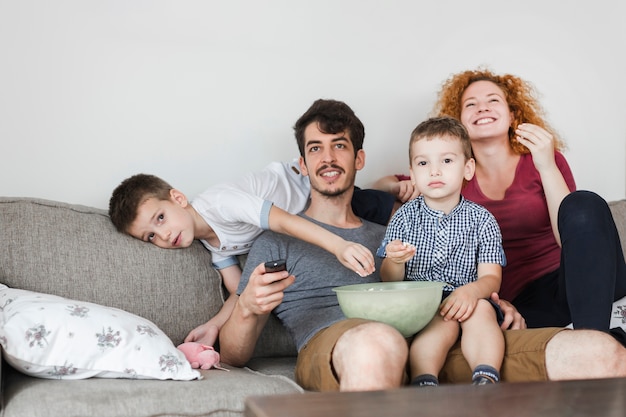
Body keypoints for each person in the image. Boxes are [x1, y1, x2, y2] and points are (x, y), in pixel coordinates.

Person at [219, 98, 626, 391]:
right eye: (315, 148)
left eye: (338, 145)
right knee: (379, 341)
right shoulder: (278, 239)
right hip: (347, 343)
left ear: (359, 159)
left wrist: (497, 301)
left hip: (444, 341)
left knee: (599, 351)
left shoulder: (394, 227)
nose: (327, 158)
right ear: (301, 165)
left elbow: (470, 274)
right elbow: (234, 354)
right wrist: (249, 308)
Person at [374, 68, 626, 343]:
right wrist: (395, 187)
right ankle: (594, 338)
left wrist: (546, 165)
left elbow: (571, 235)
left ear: (513, 115)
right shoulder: (446, 175)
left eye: (493, 100)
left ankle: (594, 342)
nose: (482, 107)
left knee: (585, 203)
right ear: (458, 121)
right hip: (518, 300)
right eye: (471, 104)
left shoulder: (542, 161)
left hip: (573, 280)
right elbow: (377, 188)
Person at [109, 162, 381, 347]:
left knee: (374, 205)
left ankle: (388, 185)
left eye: (160, 218)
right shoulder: (215, 249)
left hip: (307, 183)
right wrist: (214, 325)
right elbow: (241, 293)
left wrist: (339, 246)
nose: (165, 235)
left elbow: (283, 222)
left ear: (178, 199)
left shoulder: (221, 204)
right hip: (309, 211)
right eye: (151, 236)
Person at [378, 116, 505, 386]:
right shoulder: (403, 218)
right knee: (438, 322)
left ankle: (486, 378)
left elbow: (491, 278)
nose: (434, 171)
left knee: (482, 311)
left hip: (469, 297)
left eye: (446, 161)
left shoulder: (483, 220)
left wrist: (471, 292)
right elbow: (388, 280)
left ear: (468, 168)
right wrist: (394, 259)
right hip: (423, 303)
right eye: (423, 163)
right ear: (412, 173)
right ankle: (425, 381)